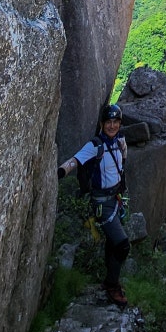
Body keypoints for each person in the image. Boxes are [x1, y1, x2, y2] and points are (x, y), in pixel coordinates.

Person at [58, 103, 131, 308]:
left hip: (115, 199)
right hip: (102, 203)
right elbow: (75, 161)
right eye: (109, 122)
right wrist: (59, 172)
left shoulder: (120, 142)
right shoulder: (95, 145)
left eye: (116, 122)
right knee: (122, 244)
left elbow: (123, 162)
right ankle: (112, 284)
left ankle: (110, 281)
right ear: (102, 123)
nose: (112, 126)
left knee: (113, 242)